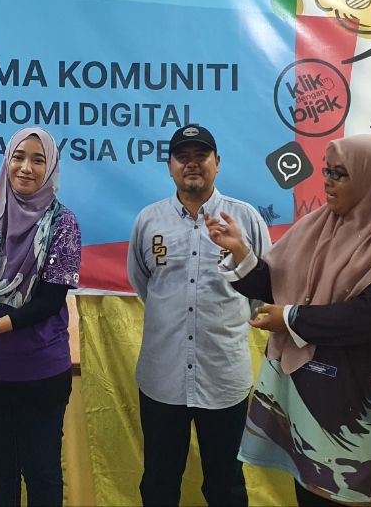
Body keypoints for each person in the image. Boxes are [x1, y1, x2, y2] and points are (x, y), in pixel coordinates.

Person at [207, 135, 371, 506]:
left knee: (358, 491)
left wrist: (291, 318)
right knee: (310, 486)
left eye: (340, 174)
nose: (327, 181)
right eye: (327, 171)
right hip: (306, 392)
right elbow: (275, 285)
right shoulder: (315, 226)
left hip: (358, 395)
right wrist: (240, 251)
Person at [127, 123, 272, 506]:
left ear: (217, 163)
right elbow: (146, 287)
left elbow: (265, 290)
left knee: (227, 487)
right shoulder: (148, 221)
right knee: (158, 484)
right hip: (162, 378)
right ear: (170, 166)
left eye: (200, 156)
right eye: (182, 157)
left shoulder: (245, 219)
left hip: (223, 377)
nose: (191, 164)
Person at [0, 127, 82, 507]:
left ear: (51, 167)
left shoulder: (63, 223)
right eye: (19, 157)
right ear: (6, 162)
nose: (26, 167)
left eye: (38, 160)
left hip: (40, 371)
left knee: (42, 473)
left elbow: (49, 302)